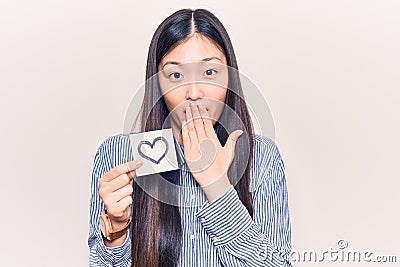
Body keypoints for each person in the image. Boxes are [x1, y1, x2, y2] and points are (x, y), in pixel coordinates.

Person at [88, 8, 292, 267]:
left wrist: (217, 186)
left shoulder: (261, 157)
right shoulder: (120, 153)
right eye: (175, 75)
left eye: (209, 72)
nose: (194, 93)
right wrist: (116, 229)